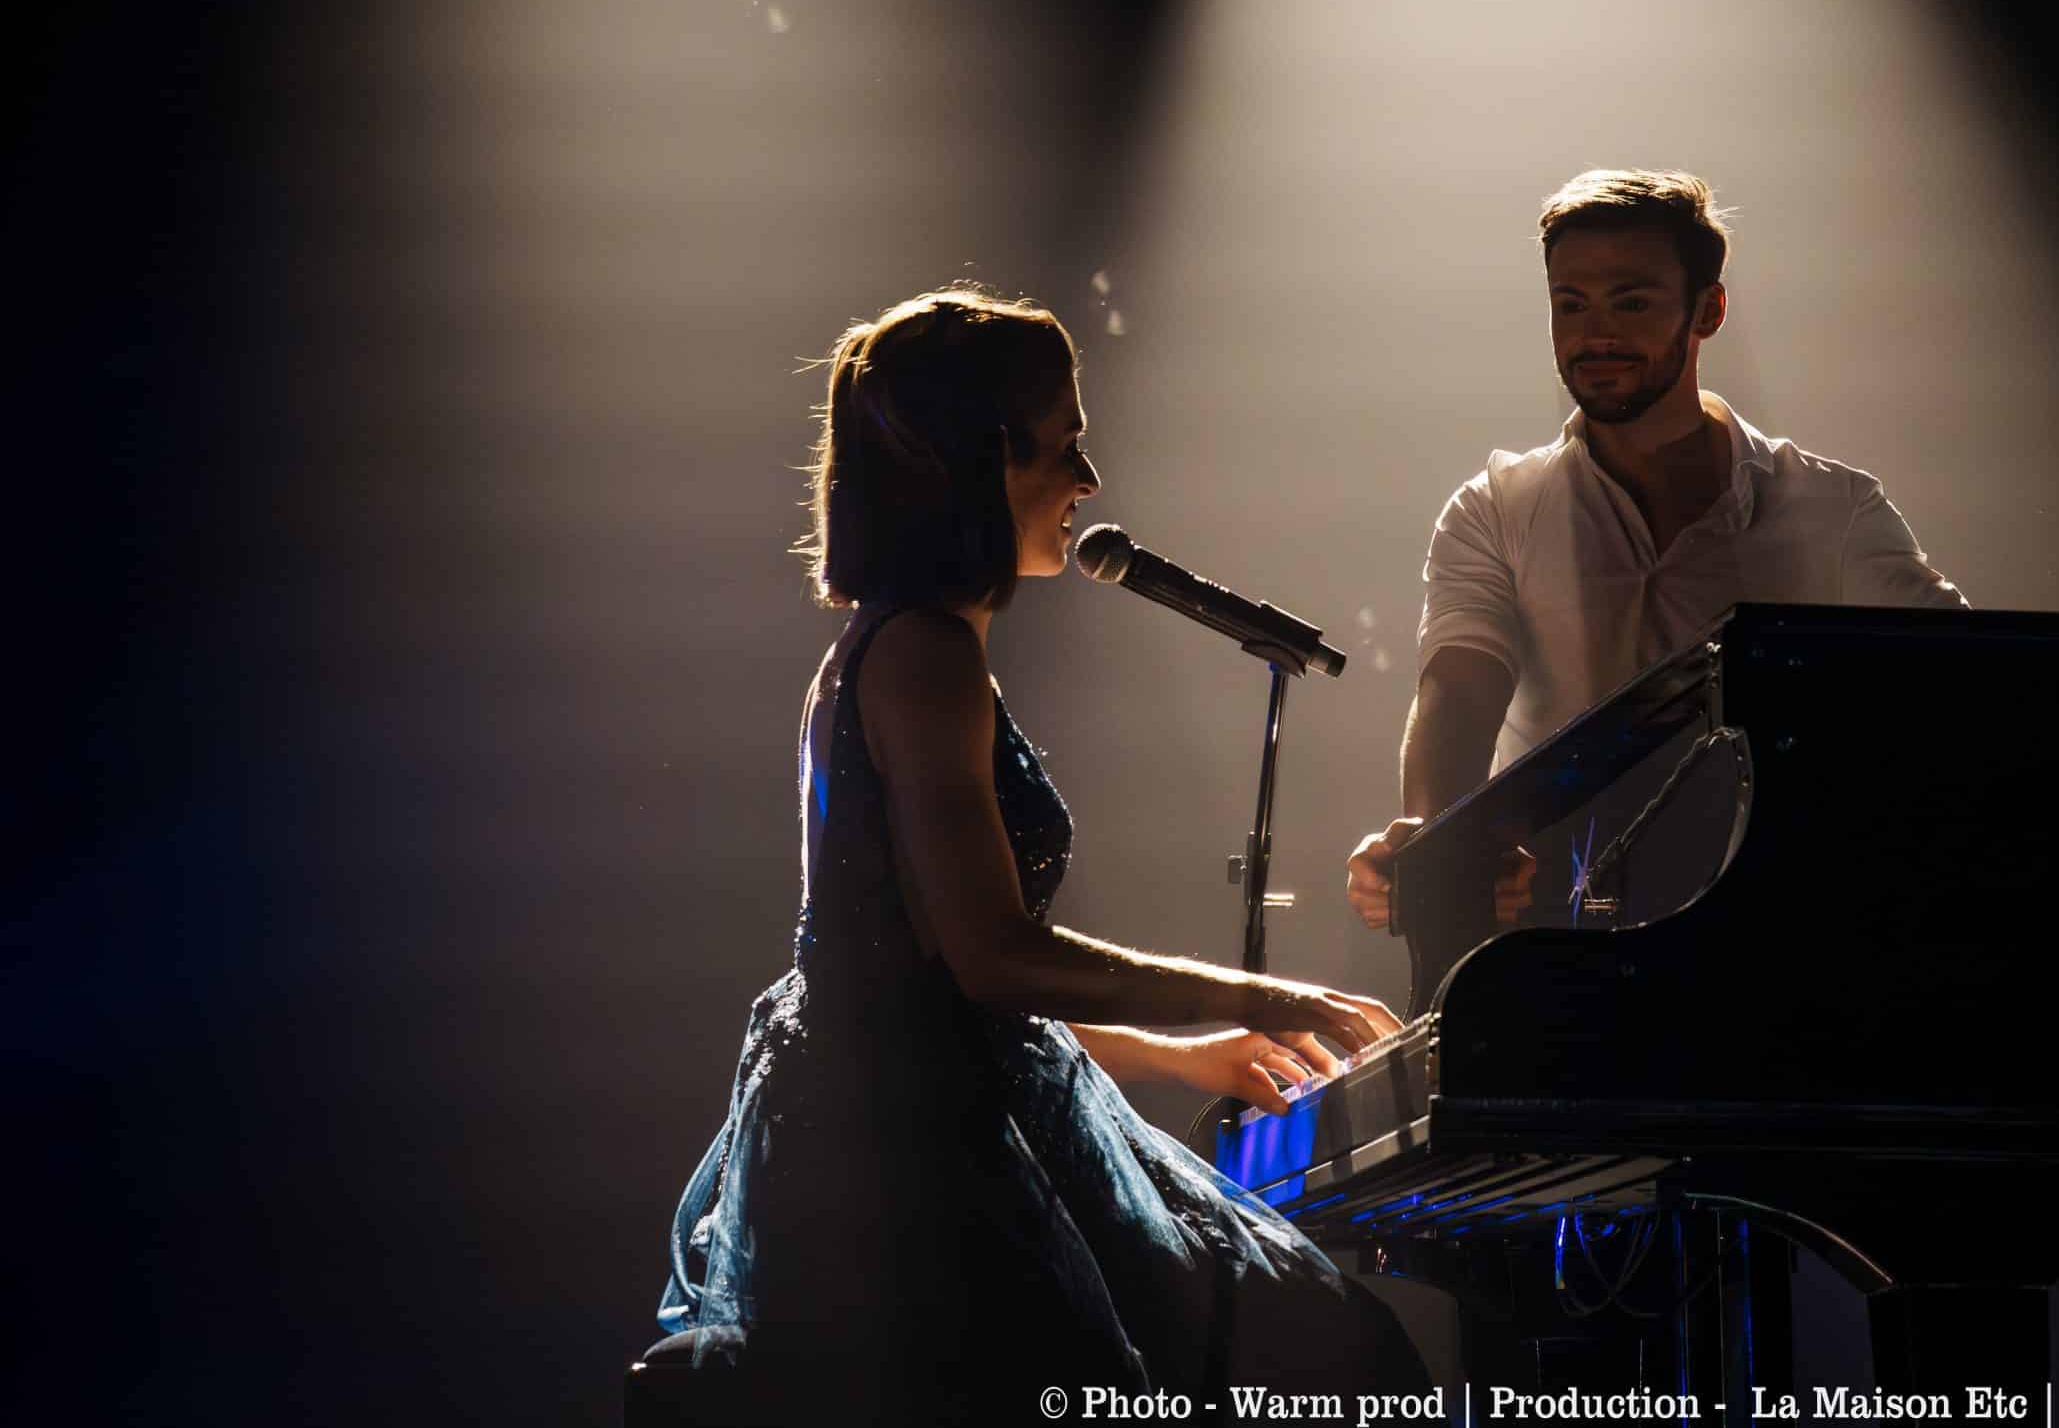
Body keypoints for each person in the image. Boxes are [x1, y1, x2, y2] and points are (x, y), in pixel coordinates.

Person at [652, 285, 1425, 1419]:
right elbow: (994, 958)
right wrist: (1274, 993)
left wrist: (1187, 1056)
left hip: (925, 1110)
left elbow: (937, 986)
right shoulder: (923, 656)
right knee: (1318, 1352)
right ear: (979, 457)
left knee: (1310, 1340)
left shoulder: (902, 645)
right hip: (920, 1169)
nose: (1089, 481)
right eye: (1066, 445)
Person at [1346, 168, 1966, 928]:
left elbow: (1960, 687)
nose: (1595, 334)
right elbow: (1459, 692)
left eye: (1631, 302)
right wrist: (1436, 839)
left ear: (1709, 310)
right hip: (1554, 954)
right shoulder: (1494, 509)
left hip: (1780, 936)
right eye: (1570, 304)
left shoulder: (1835, 512)